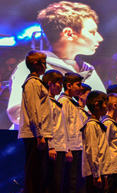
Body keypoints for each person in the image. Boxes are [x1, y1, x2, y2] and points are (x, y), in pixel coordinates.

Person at [7, 1, 105, 129]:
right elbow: (19, 112)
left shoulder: (88, 71)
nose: (99, 38)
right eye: (92, 32)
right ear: (68, 33)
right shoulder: (31, 67)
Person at [18, 50, 52, 193]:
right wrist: (39, 134)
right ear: (36, 64)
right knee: (34, 173)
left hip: (39, 134)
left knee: (39, 174)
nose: (46, 66)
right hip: (34, 135)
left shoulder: (37, 82)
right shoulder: (32, 83)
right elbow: (33, 110)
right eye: (44, 63)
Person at [58, 72, 85, 193]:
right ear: (68, 85)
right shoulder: (63, 101)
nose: (80, 88)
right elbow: (63, 126)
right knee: (70, 183)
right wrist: (67, 148)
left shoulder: (73, 102)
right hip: (70, 149)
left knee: (76, 183)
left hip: (77, 147)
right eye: (78, 85)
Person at [42, 70, 67, 193]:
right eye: (59, 83)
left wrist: (66, 148)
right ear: (50, 84)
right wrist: (51, 146)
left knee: (58, 185)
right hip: (54, 148)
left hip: (61, 148)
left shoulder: (56, 103)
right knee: (52, 185)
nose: (61, 86)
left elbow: (61, 129)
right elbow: (48, 125)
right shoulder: (47, 102)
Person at [81, 90, 110, 193]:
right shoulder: (91, 125)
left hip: (100, 172)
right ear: (97, 105)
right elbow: (92, 150)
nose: (107, 107)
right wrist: (96, 174)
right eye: (105, 104)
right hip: (93, 173)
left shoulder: (98, 124)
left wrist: (105, 175)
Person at [101, 93, 117, 193]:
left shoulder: (113, 123)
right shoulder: (108, 123)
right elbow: (103, 146)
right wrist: (104, 173)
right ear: (115, 106)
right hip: (111, 169)